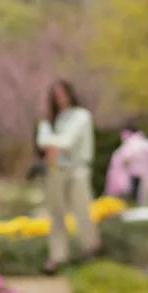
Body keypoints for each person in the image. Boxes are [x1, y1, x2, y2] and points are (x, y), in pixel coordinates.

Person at [36, 80, 100, 275]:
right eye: (56, 95)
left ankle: (91, 248)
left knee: (82, 210)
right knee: (56, 214)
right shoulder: (50, 119)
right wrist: (52, 141)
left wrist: (51, 142)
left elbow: (67, 142)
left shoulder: (81, 116)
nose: (60, 98)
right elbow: (41, 141)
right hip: (56, 170)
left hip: (77, 168)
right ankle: (57, 257)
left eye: (62, 93)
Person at [105, 125, 148, 205]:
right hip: (146, 174)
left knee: (135, 198)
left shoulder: (129, 145)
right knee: (145, 196)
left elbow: (123, 160)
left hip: (133, 175)